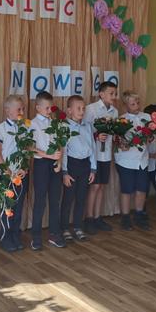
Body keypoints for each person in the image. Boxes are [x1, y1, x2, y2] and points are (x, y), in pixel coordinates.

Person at [0, 95, 29, 252]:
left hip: (20, 175)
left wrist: (24, 168)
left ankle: (15, 235)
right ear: (7, 110)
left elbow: (26, 150)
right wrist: (9, 172)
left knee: (19, 207)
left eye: (23, 109)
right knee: (7, 208)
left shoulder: (24, 128)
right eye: (18, 109)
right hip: (6, 175)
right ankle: (5, 237)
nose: (22, 112)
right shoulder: (0, 129)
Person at [30, 91, 64, 250]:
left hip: (54, 164)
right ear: (38, 107)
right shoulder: (32, 124)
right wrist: (49, 155)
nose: (50, 111)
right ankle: (36, 236)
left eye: (51, 108)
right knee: (40, 201)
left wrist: (59, 161)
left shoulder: (55, 123)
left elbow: (60, 143)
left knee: (55, 200)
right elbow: (30, 147)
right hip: (41, 164)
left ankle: (54, 234)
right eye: (47, 108)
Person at [60, 95, 96, 242]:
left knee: (81, 198)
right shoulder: (64, 127)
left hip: (85, 166)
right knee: (68, 199)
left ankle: (77, 227)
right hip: (72, 166)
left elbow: (92, 147)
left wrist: (93, 169)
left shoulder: (87, 126)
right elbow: (63, 151)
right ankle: (64, 228)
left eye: (83, 108)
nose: (82, 111)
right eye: (78, 108)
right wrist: (65, 172)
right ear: (69, 111)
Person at [84, 81, 118, 234]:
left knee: (102, 186)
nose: (114, 96)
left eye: (115, 93)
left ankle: (98, 217)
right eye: (111, 93)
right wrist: (96, 135)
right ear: (101, 94)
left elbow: (114, 131)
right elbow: (84, 131)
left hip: (106, 154)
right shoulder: (91, 109)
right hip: (94, 155)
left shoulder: (114, 112)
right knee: (94, 187)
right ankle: (89, 218)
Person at [114, 91, 151, 231]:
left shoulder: (146, 117)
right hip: (126, 161)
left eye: (138, 102)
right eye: (133, 104)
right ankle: (125, 217)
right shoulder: (121, 120)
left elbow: (151, 137)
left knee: (141, 189)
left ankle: (139, 215)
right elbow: (118, 142)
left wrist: (150, 137)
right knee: (127, 190)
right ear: (126, 105)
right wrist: (123, 144)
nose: (137, 106)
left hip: (142, 160)